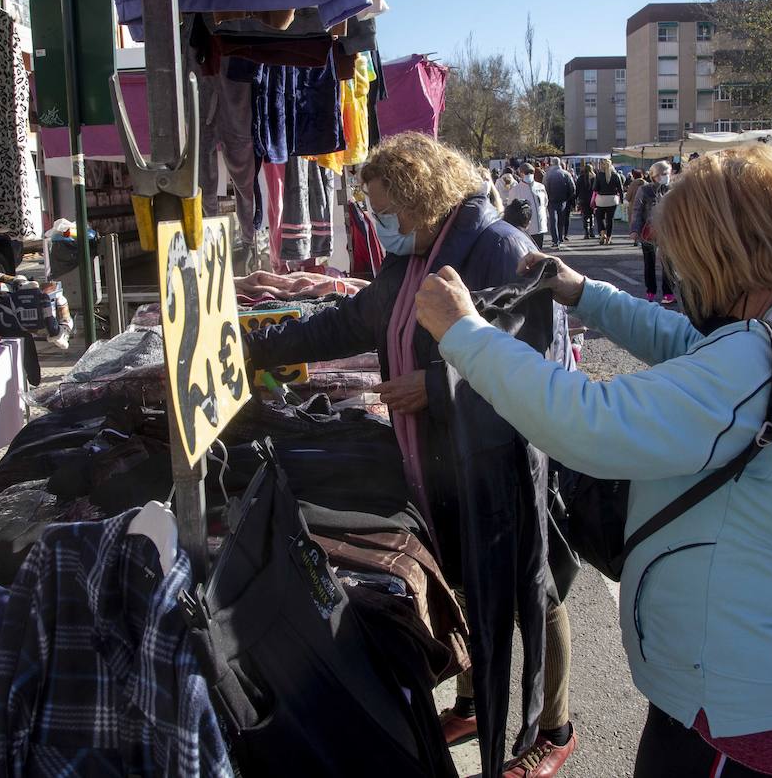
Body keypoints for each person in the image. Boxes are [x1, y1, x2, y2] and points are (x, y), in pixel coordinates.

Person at [414, 144, 772, 778]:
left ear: (725, 255)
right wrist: (583, 293)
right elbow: (698, 349)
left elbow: (587, 423)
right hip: (766, 666)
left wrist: (464, 332)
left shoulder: (763, 363)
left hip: (735, 693)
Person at [243, 133, 579, 777]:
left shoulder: (500, 248)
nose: (379, 222)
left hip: (502, 469)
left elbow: (546, 368)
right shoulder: (412, 261)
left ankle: (551, 727)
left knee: (529, 590)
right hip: (441, 464)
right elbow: (344, 323)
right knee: (464, 580)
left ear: (422, 195)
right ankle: (478, 700)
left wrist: (436, 386)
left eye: (384, 207)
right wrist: (256, 343)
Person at [631, 161, 675, 304]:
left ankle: (668, 293)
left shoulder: (673, 189)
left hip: (668, 232)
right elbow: (637, 211)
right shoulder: (644, 190)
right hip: (648, 231)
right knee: (649, 262)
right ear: (655, 175)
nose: (666, 177)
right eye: (663, 174)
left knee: (669, 264)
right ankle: (651, 291)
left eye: (668, 173)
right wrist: (634, 230)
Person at [510, 164, 550, 250]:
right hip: (526, 229)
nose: (529, 175)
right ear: (521, 174)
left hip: (540, 226)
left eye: (531, 172)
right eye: (527, 173)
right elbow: (511, 209)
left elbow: (545, 202)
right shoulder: (515, 190)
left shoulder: (540, 187)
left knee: (539, 251)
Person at [544, 158, 576, 249]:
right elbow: (572, 188)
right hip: (563, 200)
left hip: (551, 200)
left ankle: (555, 240)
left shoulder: (548, 174)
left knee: (553, 221)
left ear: (552, 164)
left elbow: (544, 187)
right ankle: (561, 237)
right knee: (561, 220)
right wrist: (568, 198)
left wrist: (546, 199)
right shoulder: (566, 174)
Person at [592, 160, 625, 245]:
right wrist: (621, 200)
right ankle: (609, 237)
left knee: (600, 218)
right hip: (612, 199)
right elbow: (620, 189)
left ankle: (603, 233)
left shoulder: (599, 175)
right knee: (610, 219)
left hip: (601, 199)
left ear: (602, 166)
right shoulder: (616, 175)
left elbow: (595, 188)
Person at [575, 162, 596, 240]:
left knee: (585, 216)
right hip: (592, 199)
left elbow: (577, 190)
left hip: (583, 199)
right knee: (592, 215)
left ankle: (586, 232)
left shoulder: (580, 178)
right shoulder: (594, 177)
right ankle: (592, 231)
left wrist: (576, 199)